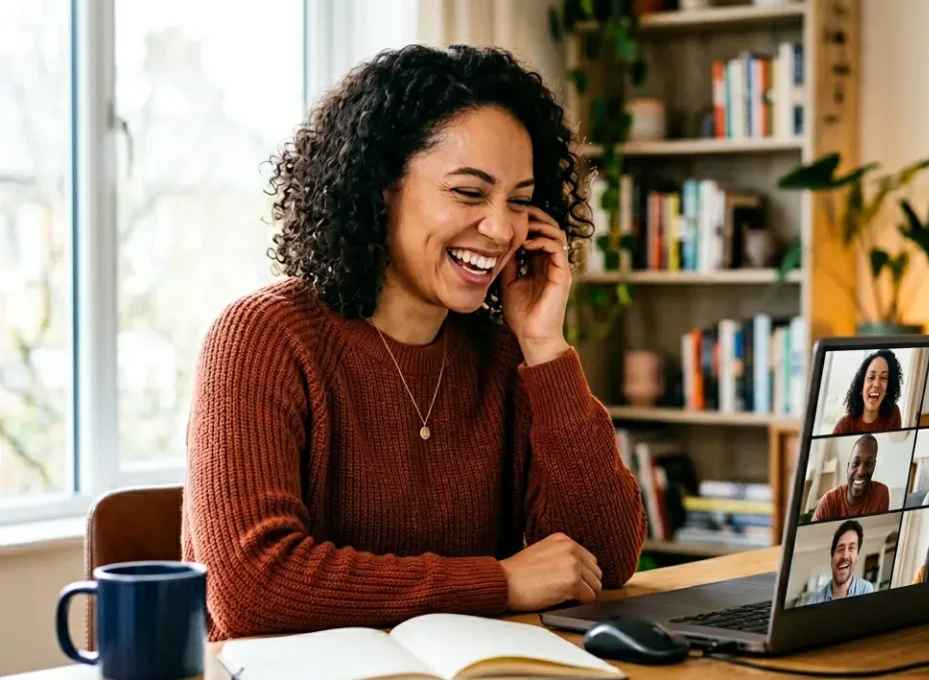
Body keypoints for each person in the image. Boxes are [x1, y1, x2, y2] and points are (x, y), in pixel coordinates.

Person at [181, 45, 647, 641]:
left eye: (521, 201)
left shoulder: (506, 357)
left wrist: (544, 346)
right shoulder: (261, 338)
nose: (503, 228)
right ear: (381, 187)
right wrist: (497, 582)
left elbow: (604, 561)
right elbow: (253, 590)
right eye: (469, 192)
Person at [812, 435, 890, 520]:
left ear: (873, 467)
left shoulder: (880, 493)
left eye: (868, 464)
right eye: (856, 463)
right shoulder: (827, 503)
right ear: (848, 467)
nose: (861, 471)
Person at [800, 520, 877, 605]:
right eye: (840, 549)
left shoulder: (867, 590)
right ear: (832, 558)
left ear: (857, 557)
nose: (845, 556)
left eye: (851, 548)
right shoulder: (814, 602)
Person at [833, 349, 904, 434]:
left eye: (883, 378)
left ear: (888, 389)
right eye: (871, 377)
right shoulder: (844, 426)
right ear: (861, 387)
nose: (876, 384)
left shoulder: (893, 414)